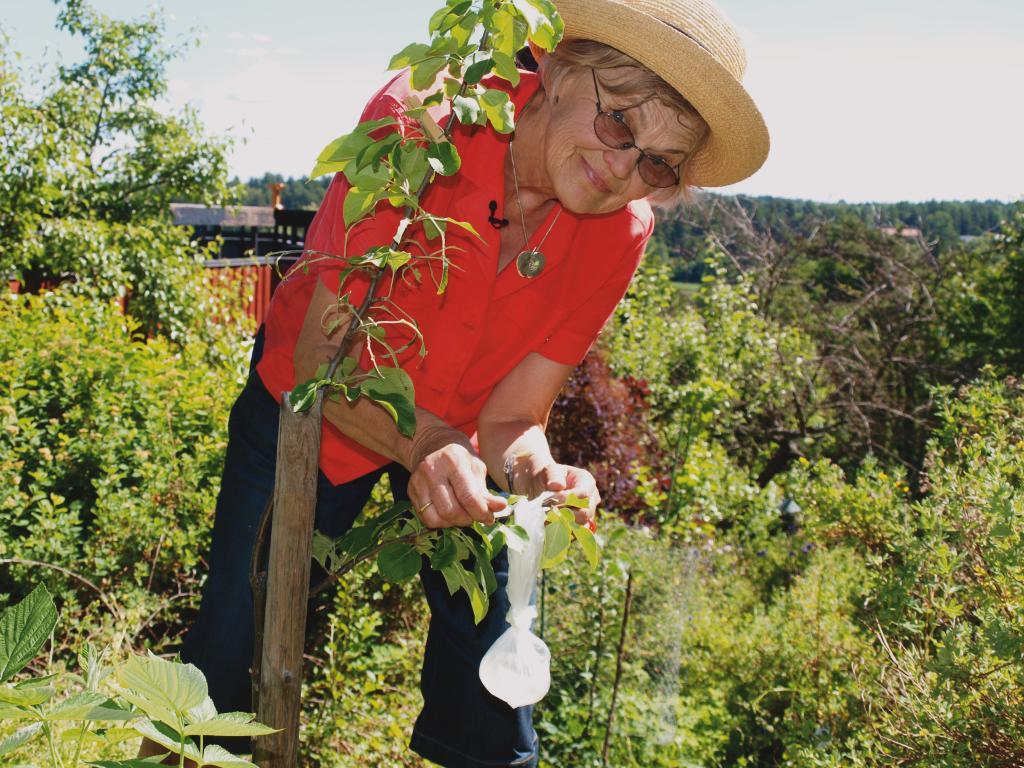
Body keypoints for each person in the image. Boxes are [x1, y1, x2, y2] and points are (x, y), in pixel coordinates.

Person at [141, 0, 768, 765]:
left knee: (495, 698)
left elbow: (512, 418)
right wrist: (427, 437)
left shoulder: (621, 232)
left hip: (461, 453)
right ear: (562, 71)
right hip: (311, 412)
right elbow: (322, 364)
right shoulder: (421, 126)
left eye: (657, 164)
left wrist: (536, 469)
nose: (623, 168)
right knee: (226, 659)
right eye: (619, 124)